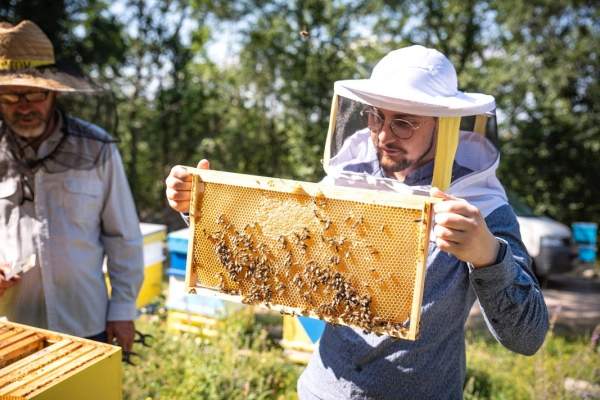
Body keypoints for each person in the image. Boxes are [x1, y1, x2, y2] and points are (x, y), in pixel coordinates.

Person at [165, 45, 549, 399]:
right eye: (375, 117)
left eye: (403, 123)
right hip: (322, 389)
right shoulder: (350, 177)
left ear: (443, 122)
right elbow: (283, 252)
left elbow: (527, 336)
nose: (383, 135)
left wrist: (487, 254)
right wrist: (201, 209)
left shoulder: (480, 205)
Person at [0, 20, 144, 352]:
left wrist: (122, 310)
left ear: (53, 92)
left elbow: (124, 237)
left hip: (84, 321)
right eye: (10, 95)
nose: (24, 106)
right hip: (13, 324)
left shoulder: (97, 147)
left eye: (34, 94)